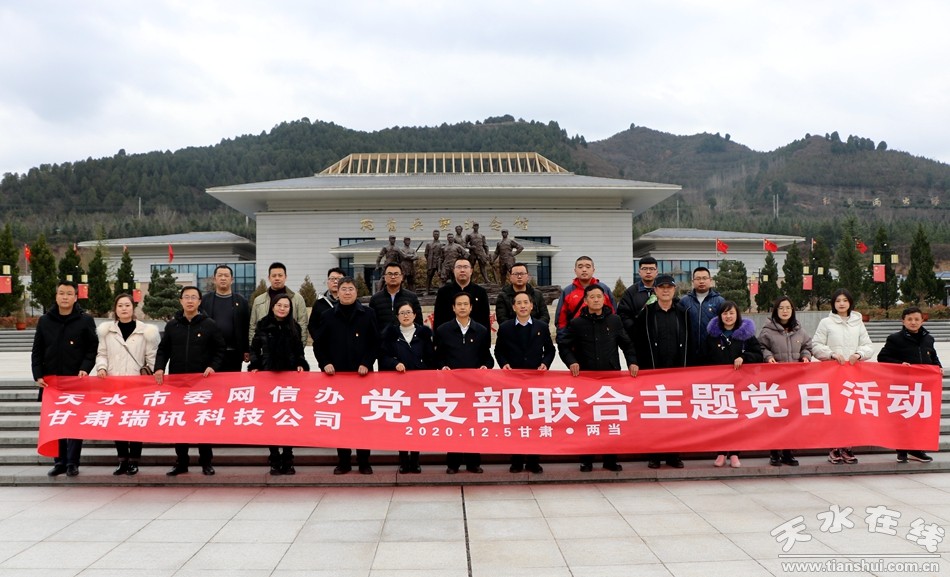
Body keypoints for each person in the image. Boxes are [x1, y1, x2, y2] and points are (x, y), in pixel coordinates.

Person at [558, 284, 637, 472]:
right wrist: (572, 362)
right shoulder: (577, 323)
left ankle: (610, 460)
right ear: (586, 301)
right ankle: (586, 460)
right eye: (592, 297)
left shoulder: (615, 320)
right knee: (587, 421)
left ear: (604, 299)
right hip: (586, 380)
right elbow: (563, 345)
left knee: (610, 421)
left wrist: (632, 362)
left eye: (599, 297)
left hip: (611, 379)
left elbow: (627, 344)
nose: (596, 300)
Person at [154, 286, 226, 476]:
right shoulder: (172, 325)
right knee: (180, 423)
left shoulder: (209, 324)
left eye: (194, 297)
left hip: (202, 383)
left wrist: (213, 366)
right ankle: (181, 462)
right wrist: (159, 367)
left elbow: (220, 349)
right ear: (180, 301)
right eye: (186, 297)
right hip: (178, 383)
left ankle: (206, 462)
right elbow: (163, 350)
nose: (190, 300)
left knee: (202, 422)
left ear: (200, 301)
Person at [31, 281, 98, 477]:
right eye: (61, 293)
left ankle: (72, 462)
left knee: (74, 422)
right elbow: (37, 350)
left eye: (69, 293)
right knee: (56, 421)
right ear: (56, 296)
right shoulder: (45, 320)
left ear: (75, 297)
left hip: (75, 380)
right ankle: (59, 462)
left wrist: (85, 368)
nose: (65, 297)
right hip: (51, 382)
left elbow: (92, 348)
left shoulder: (85, 320)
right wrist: (38, 374)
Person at [314, 277, 379, 475]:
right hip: (337, 378)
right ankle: (343, 461)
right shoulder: (328, 316)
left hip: (362, 376)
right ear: (338, 292)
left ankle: (364, 461)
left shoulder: (368, 314)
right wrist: (325, 363)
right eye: (344, 289)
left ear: (356, 292)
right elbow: (319, 344)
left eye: (351, 289)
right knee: (341, 420)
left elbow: (375, 342)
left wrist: (366, 363)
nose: (347, 292)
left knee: (362, 420)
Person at [94, 293, 160, 476]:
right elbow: (102, 354)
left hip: (137, 384)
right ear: (115, 309)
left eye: (127, 305)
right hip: (114, 384)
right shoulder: (107, 332)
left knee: (135, 421)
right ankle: (122, 460)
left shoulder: (145, 331)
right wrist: (101, 367)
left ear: (133, 308)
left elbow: (151, 357)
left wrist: (152, 374)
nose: (124, 308)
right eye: (120, 305)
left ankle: (134, 460)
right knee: (118, 423)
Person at [632, 274, 693, 469]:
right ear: (655, 290)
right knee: (655, 415)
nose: (665, 290)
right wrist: (637, 364)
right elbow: (637, 341)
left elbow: (691, 342)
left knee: (675, 416)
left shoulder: (683, 313)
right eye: (662, 287)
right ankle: (655, 454)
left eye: (669, 287)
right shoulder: (646, 314)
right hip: (653, 373)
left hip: (677, 373)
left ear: (674, 290)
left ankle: (673, 455)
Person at [495, 291, 555, 473]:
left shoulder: (541, 326)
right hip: (513, 382)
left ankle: (533, 461)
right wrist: (504, 364)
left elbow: (550, 350)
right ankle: (516, 460)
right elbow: (499, 351)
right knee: (515, 421)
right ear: (513, 307)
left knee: (535, 421)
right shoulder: (505, 328)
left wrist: (545, 363)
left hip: (535, 382)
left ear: (531, 306)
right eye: (519, 303)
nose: (522, 306)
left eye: (525, 302)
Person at [249, 294, 310, 475]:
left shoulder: (294, 327)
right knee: (271, 420)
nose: (282, 309)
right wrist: (255, 365)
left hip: (289, 380)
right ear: (273, 306)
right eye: (279, 305)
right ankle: (274, 458)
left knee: (288, 418)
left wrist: (300, 363)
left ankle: (288, 458)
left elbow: (299, 351)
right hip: (268, 378)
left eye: (286, 306)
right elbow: (254, 349)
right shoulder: (263, 324)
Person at [812, 288, 872, 465]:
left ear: (850, 303)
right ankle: (834, 448)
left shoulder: (858, 322)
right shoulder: (826, 323)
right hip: (832, 375)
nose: (841, 303)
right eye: (838, 300)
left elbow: (868, 345)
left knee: (850, 412)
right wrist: (830, 354)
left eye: (845, 300)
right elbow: (816, 345)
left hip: (853, 375)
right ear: (833, 303)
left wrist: (859, 354)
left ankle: (847, 447)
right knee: (834, 412)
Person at [435, 292, 494, 473]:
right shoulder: (443, 330)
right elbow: (436, 356)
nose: (462, 307)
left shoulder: (481, 331)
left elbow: (488, 358)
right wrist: (442, 366)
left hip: (473, 387)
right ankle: (453, 464)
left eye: (465, 304)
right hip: (451, 387)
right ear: (453, 308)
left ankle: (473, 462)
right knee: (453, 423)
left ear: (471, 307)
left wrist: (485, 366)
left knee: (472, 424)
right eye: (459, 304)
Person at [877, 306, 941, 463]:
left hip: (923, 387)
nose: (913, 322)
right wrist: (900, 364)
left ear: (922, 321)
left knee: (919, 418)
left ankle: (917, 449)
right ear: (903, 321)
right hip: (903, 386)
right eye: (910, 319)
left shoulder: (928, 338)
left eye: (917, 319)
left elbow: (933, 356)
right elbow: (882, 357)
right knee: (903, 418)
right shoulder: (895, 339)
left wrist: (938, 367)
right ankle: (902, 450)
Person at [704, 301, 763, 468]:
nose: (728, 316)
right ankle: (721, 453)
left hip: (740, 386)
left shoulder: (746, 336)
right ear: (720, 316)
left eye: (731, 313)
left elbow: (758, 355)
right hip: (719, 387)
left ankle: (735, 453)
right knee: (720, 420)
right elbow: (703, 358)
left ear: (737, 315)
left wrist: (744, 358)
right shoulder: (712, 337)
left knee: (737, 420)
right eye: (725, 313)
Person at [379, 301, 436, 473]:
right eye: (402, 313)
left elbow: (432, 359)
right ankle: (403, 460)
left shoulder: (424, 334)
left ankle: (415, 459)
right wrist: (394, 363)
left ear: (414, 315)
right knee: (402, 423)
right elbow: (383, 357)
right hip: (399, 386)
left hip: (419, 386)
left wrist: (422, 369)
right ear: (397, 316)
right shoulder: (390, 334)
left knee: (416, 422)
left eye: (408, 312)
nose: (406, 316)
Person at [758, 296, 813, 466]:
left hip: (795, 381)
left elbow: (807, 346)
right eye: (781, 308)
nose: (785, 311)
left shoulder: (800, 330)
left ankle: (788, 453)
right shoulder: (767, 331)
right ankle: (774, 453)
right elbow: (761, 347)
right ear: (776, 310)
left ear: (792, 310)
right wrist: (768, 357)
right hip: (775, 381)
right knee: (776, 417)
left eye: (788, 308)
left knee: (792, 418)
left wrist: (805, 356)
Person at [200, 265, 250, 372]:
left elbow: (246, 326)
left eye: (226, 276)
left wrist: (246, 349)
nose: (223, 278)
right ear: (214, 279)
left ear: (232, 280)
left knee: (232, 381)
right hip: (211, 353)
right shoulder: (205, 301)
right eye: (220, 275)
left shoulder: (242, 302)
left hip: (234, 353)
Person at [554, 256, 616, 338]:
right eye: (580, 267)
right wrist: (563, 339)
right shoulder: (568, 291)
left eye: (588, 267)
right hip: (575, 338)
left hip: (601, 337)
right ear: (575, 270)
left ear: (593, 270)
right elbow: (561, 320)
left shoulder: (604, 289)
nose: (584, 270)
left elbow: (613, 314)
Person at [249, 262, 308, 347]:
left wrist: (300, 349)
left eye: (280, 275)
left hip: (290, 349)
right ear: (269, 278)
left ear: (285, 277)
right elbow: (253, 326)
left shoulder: (297, 299)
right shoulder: (258, 301)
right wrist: (254, 349)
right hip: (265, 350)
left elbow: (303, 325)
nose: (277, 278)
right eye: (274, 276)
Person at [679, 266, 725, 359]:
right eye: (698, 278)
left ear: (710, 280)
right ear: (693, 281)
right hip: (689, 352)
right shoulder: (684, 301)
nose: (701, 281)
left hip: (713, 351)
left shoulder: (719, 301)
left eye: (704, 278)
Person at [433, 256, 490, 330]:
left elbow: (485, 320)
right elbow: (438, 319)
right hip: (449, 334)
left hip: (475, 334)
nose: (462, 270)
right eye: (459, 267)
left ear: (471, 271)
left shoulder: (480, 292)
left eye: (465, 267)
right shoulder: (443, 292)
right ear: (453, 270)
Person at [368, 262, 423, 333]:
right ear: (384, 277)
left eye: (396, 274)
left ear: (402, 277)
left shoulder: (412, 297)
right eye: (390, 274)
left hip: (406, 338)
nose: (393, 277)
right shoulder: (375, 299)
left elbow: (419, 322)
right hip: (383, 338)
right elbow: (371, 325)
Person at [617, 257, 660, 339]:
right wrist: (635, 330)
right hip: (638, 338)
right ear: (639, 272)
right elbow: (623, 315)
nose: (648, 272)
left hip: (659, 336)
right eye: (644, 269)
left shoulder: (662, 290)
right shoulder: (630, 292)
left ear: (657, 272)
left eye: (651, 269)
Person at [495, 262, 549, 326]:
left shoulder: (537, 294)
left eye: (522, 274)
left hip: (535, 330)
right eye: (516, 274)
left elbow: (545, 316)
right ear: (510, 277)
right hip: (512, 331)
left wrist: (533, 328)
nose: (519, 276)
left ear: (528, 276)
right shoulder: (503, 296)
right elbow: (502, 319)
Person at [307, 267, 345, 357]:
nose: (335, 281)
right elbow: (312, 325)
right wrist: (318, 339)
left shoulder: (350, 302)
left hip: (347, 348)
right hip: (326, 349)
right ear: (327, 282)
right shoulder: (319, 303)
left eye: (339, 279)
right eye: (332, 279)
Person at [424, 229, 444, 295]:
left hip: (439, 263)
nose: (436, 235)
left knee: (441, 277)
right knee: (429, 276)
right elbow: (426, 254)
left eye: (437, 234)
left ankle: (441, 291)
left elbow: (443, 254)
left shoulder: (442, 244)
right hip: (431, 263)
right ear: (433, 235)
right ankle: (427, 290)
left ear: (439, 235)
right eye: (435, 234)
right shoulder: (429, 244)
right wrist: (429, 260)